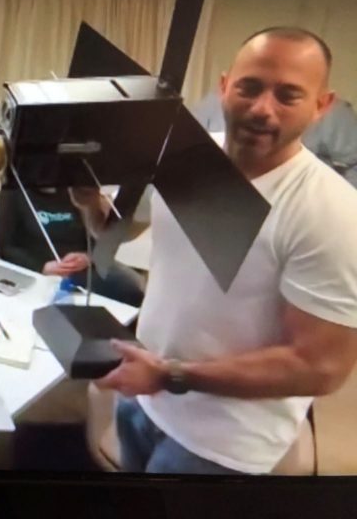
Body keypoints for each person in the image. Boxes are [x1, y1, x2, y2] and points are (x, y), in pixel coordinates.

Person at [72, 26, 357, 475]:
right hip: (145, 401)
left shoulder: (331, 212)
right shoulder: (188, 157)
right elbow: (119, 234)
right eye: (249, 87)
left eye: (288, 95)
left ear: (322, 106)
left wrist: (173, 375)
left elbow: (321, 367)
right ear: (225, 85)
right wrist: (90, 203)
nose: (262, 109)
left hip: (223, 443)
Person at [0, 183, 143, 306]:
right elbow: (5, 247)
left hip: (82, 267)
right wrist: (42, 267)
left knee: (132, 290)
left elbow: (94, 235)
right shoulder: (13, 193)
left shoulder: (76, 192)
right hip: (39, 269)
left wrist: (87, 256)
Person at [193, 88, 357, 188]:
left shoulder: (335, 114)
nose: (262, 109)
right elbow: (186, 149)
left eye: (287, 94)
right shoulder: (215, 101)